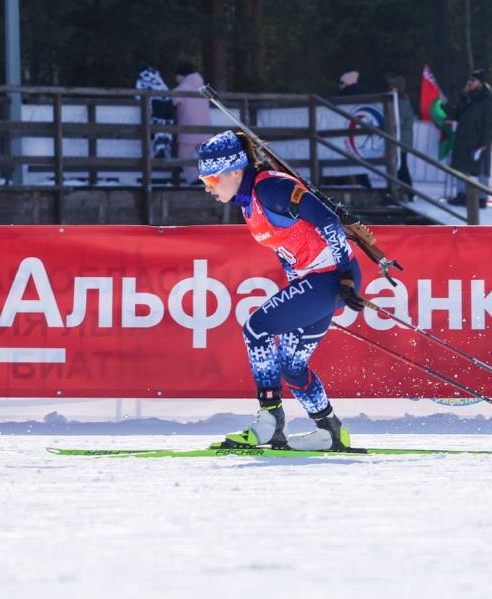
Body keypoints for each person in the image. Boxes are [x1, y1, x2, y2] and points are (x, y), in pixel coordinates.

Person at [197, 130, 364, 451]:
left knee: (256, 329)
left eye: (212, 179)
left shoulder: (270, 188)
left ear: (235, 172)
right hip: (315, 281)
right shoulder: (249, 202)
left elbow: (329, 220)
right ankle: (330, 431)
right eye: (204, 181)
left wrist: (344, 277)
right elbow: (288, 247)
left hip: (330, 277)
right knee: (291, 367)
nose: (208, 188)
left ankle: (270, 421)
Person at [444, 69, 492, 208]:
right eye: (469, 80)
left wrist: (486, 142)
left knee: (481, 169)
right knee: (460, 168)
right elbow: (456, 114)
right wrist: (446, 105)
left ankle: (482, 198)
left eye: (473, 80)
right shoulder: (465, 97)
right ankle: (462, 195)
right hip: (463, 139)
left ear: (480, 82)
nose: (470, 82)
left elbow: (490, 124)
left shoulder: (487, 99)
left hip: (478, 140)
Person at [173, 62, 212, 184]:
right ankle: (212, 181)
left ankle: (195, 179)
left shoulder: (182, 89)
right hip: (205, 129)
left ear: (181, 75)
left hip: (187, 130)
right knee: (206, 157)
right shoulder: (204, 88)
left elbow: (171, 101)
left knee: (184, 157)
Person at [135, 64, 174, 159]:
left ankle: (159, 150)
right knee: (167, 126)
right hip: (168, 101)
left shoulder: (141, 78)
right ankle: (166, 150)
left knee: (157, 126)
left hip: (156, 102)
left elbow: (138, 96)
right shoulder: (157, 75)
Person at [387, 75, 416, 195]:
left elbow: (398, 120)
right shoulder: (398, 101)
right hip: (400, 138)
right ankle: (404, 190)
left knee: (401, 165)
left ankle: (408, 191)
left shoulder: (402, 102)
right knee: (399, 165)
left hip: (402, 139)